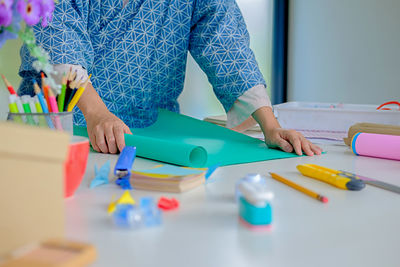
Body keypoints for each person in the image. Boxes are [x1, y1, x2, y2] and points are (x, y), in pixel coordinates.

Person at [19, 0, 321, 156]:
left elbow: (226, 43)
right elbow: (57, 39)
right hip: (58, 129)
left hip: (150, 135)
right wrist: (98, 114)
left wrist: (270, 126)